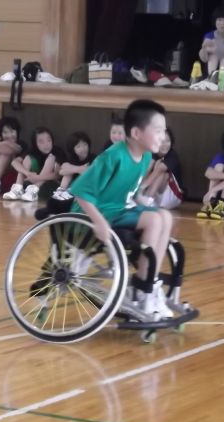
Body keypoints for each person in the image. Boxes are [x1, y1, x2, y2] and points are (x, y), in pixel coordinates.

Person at [70, 99, 173, 318]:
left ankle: (149, 282)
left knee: (165, 216)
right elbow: (80, 192)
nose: (163, 136)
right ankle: (143, 287)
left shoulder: (145, 157)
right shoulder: (113, 156)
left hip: (119, 209)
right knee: (154, 220)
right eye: (158, 131)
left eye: (164, 131)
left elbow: (130, 191)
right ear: (136, 133)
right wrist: (98, 221)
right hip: (97, 213)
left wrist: (144, 203)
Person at [2, 127, 63, 202]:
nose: (46, 144)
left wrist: (38, 177)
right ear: (35, 143)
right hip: (31, 183)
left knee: (51, 158)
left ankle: (34, 190)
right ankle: (18, 189)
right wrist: (28, 173)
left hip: (52, 184)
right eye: (41, 142)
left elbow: (57, 175)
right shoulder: (32, 151)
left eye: (49, 140)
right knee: (27, 158)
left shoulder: (57, 151)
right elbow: (14, 162)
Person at [141, 127, 184, 209]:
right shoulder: (152, 153)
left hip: (173, 196)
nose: (165, 144)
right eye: (161, 141)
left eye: (168, 141)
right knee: (151, 163)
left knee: (163, 174)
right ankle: (144, 199)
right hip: (157, 195)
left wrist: (141, 189)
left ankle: (146, 199)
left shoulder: (172, 156)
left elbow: (159, 170)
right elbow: (145, 171)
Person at [52, 131, 95, 201]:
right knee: (68, 172)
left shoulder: (93, 158)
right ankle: (60, 191)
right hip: (71, 186)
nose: (83, 148)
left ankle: (71, 192)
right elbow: (61, 172)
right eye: (78, 146)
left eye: (85, 144)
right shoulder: (72, 159)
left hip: (86, 187)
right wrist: (79, 169)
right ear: (73, 149)